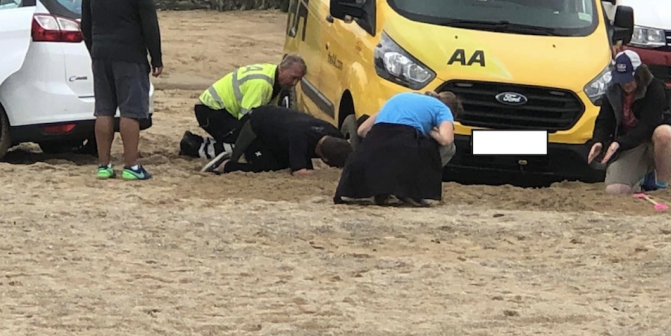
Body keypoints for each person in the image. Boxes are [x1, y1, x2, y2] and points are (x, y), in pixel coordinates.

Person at [81, 0, 163, 181]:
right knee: (130, 111)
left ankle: (104, 166)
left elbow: (85, 23)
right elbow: (150, 24)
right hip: (130, 56)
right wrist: (156, 56)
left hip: (100, 55)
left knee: (104, 110)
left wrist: (94, 49)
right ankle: (131, 166)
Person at [333, 91, 462, 207]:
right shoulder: (443, 109)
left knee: (385, 148)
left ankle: (382, 191)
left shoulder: (400, 97)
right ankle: (414, 190)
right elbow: (446, 140)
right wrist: (429, 130)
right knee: (450, 148)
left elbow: (361, 130)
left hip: (376, 140)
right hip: (404, 142)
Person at [588, 50, 671, 195]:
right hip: (631, 147)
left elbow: (649, 124)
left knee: (664, 133)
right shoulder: (612, 91)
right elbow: (604, 122)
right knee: (614, 191)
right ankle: (641, 178)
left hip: (653, 142)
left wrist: (619, 142)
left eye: (629, 78)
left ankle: (660, 186)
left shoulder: (655, 88)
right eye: (621, 79)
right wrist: (599, 141)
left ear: (639, 74)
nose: (625, 84)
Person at [179, 56, 307, 160]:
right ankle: (194, 147)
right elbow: (249, 120)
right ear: (282, 69)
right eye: (293, 77)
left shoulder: (274, 77)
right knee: (248, 145)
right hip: (211, 111)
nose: (294, 83)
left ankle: (198, 142)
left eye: (299, 80)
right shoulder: (262, 84)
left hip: (217, 109)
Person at [203, 106, 352, 176]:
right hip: (254, 127)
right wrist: (321, 175)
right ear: (324, 158)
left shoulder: (332, 131)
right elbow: (299, 172)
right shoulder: (298, 137)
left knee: (288, 161)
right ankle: (227, 165)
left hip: (280, 127)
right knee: (269, 166)